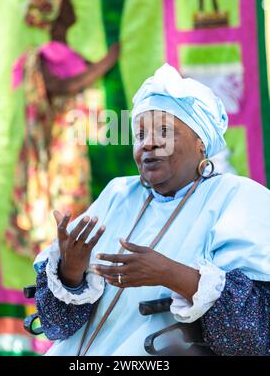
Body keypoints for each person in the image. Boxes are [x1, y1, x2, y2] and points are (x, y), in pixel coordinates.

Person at [33, 64, 270, 356]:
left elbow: (252, 337)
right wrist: (70, 272)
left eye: (165, 132)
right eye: (140, 134)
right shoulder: (118, 194)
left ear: (201, 144)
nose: (149, 143)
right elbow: (58, 325)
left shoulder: (237, 198)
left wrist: (169, 273)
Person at [5, 0, 119, 257]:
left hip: (72, 151)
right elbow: (61, 86)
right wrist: (107, 61)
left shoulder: (68, 53)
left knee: (75, 212)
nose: (72, 6)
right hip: (57, 155)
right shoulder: (43, 55)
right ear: (55, 7)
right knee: (62, 215)